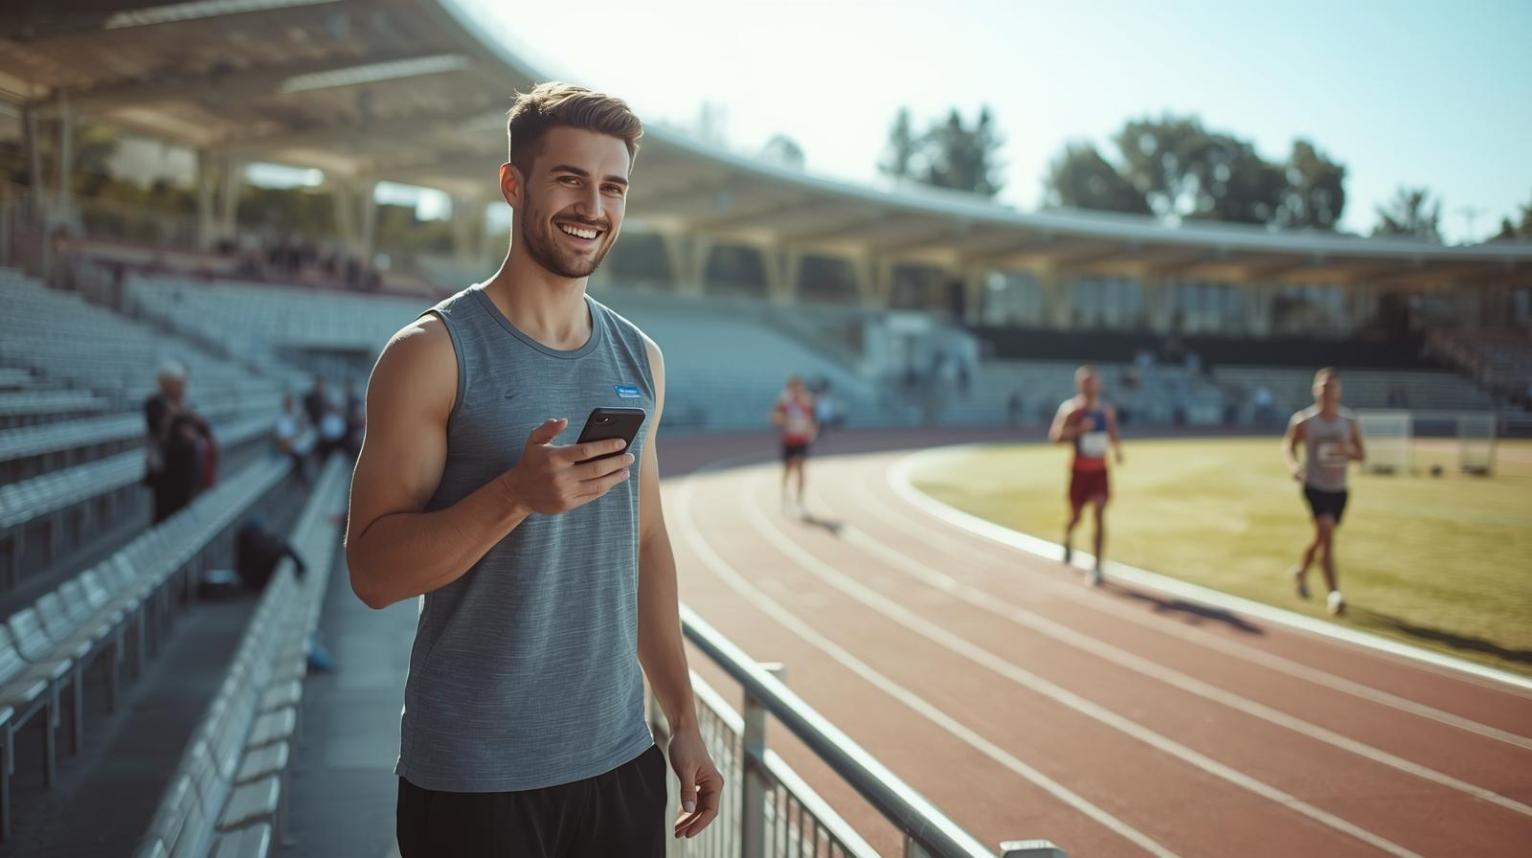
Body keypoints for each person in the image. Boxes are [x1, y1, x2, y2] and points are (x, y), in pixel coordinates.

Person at [344, 82, 720, 858]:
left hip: (618, 763)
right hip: (475, 781)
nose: (593, 206)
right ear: (513, 185)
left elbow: (645, 546)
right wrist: (513, 495)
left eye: (612, 186)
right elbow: (373, 573)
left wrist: (682, 722)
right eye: (569, 179)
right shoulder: (432, 353)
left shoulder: (638, 357)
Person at [1283, 367, 1365, 616]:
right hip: (1315, 486)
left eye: (1331, 386)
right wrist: (1294, 465)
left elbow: (1361, 454)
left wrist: (1346, 452)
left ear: (1338, 391)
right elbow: (1288, 445)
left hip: (1339, 490)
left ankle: (1301, 571)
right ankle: (1334, 594)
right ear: (1315, 389)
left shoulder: (1348, 422)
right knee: (1327, 536)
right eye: (1322, 386)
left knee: (1321, 538)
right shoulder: (1304, 421)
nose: (1326, 391)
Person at [1049, 365, 1123, 586]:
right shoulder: (1071, 410)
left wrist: (1117, 450)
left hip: (1100, 470)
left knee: (1100, 512)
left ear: (1098, 384)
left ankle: (1097, 566)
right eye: (1085, 382)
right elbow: (1055, 437)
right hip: (1079, 472)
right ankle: (1068, 533)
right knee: (1077, 517)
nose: (1090, 386)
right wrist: (1078, 430)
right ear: (1079, 385)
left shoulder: (1105, 411)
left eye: (1093, 381)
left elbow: (1112, 432)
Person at [144, 361, 213, 523]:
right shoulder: (154, 404)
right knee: (163, 513)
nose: (182, 387)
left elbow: (204, 430)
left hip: (186, 470)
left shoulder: (185, 405)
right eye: (178, 383)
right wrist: (173, 415)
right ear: (165, 384)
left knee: (183, 512)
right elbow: (158, 434)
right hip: (164, 470)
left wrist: (193, 424)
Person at [772, 375, 817, 515]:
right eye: (794, 387)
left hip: (801, 441)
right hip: (788, 440)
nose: (797, 390)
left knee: (801, 468)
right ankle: (785, 498)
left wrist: (811, 430)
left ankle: (800, 500)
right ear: (789, 388)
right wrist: (786, 420)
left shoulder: (807, 403)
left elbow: (812, 421)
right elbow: (775, 419)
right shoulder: (784, 403)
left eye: (799, 387)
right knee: (787, 470)